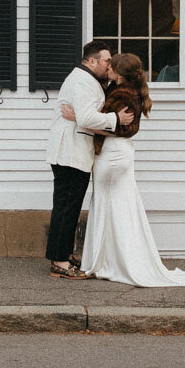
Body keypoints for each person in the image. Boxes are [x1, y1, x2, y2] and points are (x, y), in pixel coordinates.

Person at [61, 53, 185, 289]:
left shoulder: (124, 94)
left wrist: (77, 118)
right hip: (117, 155)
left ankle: (111, 262)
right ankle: (109, 260)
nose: (107, 67)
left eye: (112, 66)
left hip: (113, 155)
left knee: (109, 205)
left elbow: (117, 129)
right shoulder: (122, 88)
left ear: (120, 74)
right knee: (114, 205)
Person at [43, 41, 134, 279]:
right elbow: (86, 116)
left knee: (69, 207)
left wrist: (79, 117)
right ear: (91, 61)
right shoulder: (83, 81)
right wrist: (115, 119)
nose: (109, 65)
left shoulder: (88, 80)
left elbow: (81, 116)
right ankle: (60, 263)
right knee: (66, 208)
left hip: (73, 153)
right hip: (70, 153)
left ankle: (64, 254)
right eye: (106, 61)